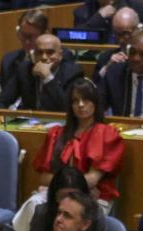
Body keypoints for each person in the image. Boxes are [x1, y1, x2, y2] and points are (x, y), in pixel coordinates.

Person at [33, 78, 123, 210]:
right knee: (34, 204)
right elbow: (44, 178)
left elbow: (92, 179)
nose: (80, 104)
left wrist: (60, 185)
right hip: (57, 194)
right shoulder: (56, 134)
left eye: (86, 100)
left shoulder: (106, 134)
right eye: (75, 100)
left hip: (92, 197)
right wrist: (64, 190)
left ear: (95, 102)